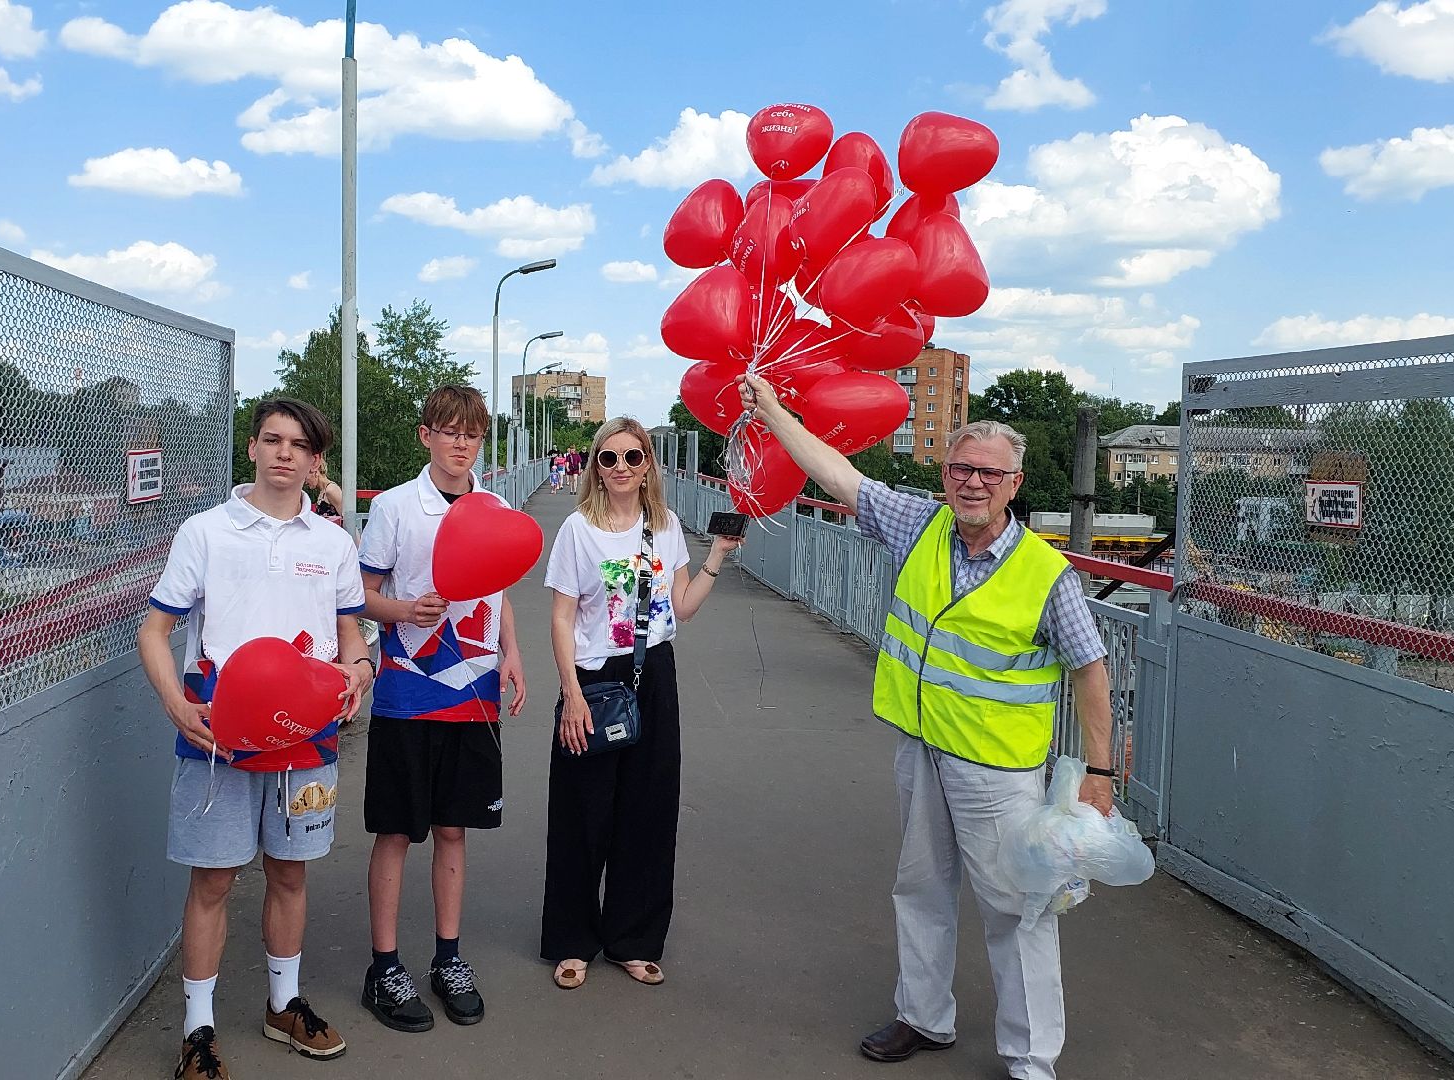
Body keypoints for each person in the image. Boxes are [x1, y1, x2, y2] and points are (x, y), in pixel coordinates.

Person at [738, 373, 1114, 1080]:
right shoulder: (921, 525)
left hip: (998, 773)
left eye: (988, 473)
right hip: (923, 751)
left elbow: (1090, 671)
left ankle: (1032, 1057)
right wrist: (774, 413)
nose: (973, 483)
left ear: (1014, 483)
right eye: (960, 468)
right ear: (945, 475)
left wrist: (1099, 774)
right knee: (920, 890)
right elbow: (838, 474)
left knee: (1017, 910)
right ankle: (924, 1016)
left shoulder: (1046, 574)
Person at [138, 397, 373, 1079]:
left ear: (313, 460)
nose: (284, 454)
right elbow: (154, 630)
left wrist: (358, 671)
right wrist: (175, 703)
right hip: (218, 734)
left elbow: (352, 635)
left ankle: (283, 1004)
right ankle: (198, 1029)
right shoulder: (206, 532)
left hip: (306, 735)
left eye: (299, 445)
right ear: (252, 448)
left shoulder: (332, 544)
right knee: (213, 879)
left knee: (290, 871)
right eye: (273, 440)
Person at [540, 417, 742, 990]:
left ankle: (633, 938)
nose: (622, 467)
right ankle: (573, 939)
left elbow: (681, 606)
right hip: (594, 678)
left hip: (652, 671)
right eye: (609, 458)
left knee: (648, 810)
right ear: (594, 467)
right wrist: (571, 694)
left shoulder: (666, 527)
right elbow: (560, 618)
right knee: (583, 813)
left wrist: (718, 554)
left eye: (633, 457)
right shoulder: (578, 531)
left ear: (648, 464)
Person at [356, 385, 527, 1032]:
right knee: (396, 831)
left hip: (475, 690)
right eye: (449, 431)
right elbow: (360, 595)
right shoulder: (397, 508)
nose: (461, 443)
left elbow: (500, 591)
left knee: (454, 828)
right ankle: (384, 965)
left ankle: (448, 958)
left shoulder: (494, 505)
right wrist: (404, 611)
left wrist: (512, 652)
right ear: (426, 435)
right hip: (408, 690)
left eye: (472, 433)